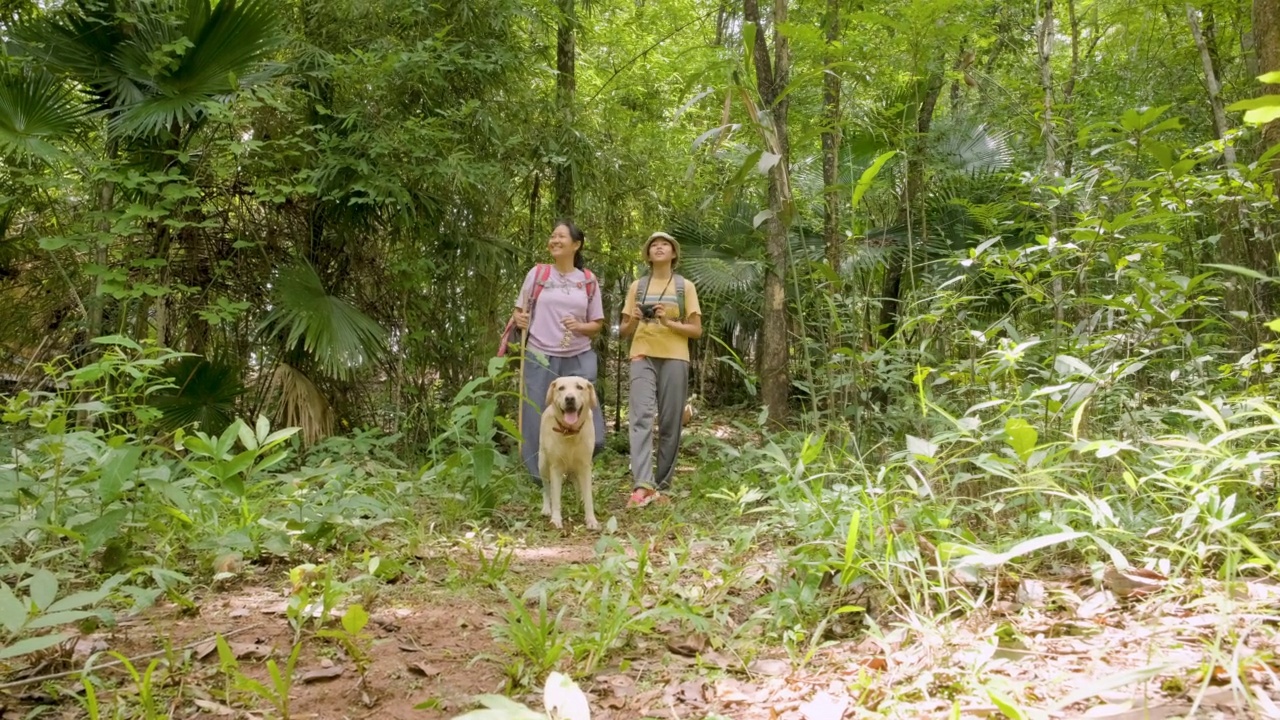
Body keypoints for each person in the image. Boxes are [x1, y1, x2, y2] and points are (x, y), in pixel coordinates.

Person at [512, 221, 607, 483]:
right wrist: (520, 320)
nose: (554, 240)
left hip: (579, 355)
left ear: (576, 245)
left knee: (589, 416)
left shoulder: (587, 280)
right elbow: (520, 311)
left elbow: (597, 324)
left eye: (561, 236)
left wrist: (579, 326)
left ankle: (577, 465)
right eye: (552, 236)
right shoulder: (538, 274)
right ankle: (539, 476)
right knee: (535, 414)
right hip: (540, 354)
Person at [619, 231, 702, 507]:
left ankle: (663, 486)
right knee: (640, 418)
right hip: (642, 354)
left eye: (664, 244)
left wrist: (669, 322)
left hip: (676, 357)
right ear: (648, 253)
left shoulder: (684, 287)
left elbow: (696, 330)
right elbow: (624, 331)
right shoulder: (637, 286)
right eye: (653, 244)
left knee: (670, 423)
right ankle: (642, 485)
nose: (658, 247)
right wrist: (635, 318)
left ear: (674, 253)